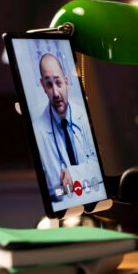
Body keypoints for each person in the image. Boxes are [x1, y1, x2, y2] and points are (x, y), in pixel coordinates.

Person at [33, 53, 98, 201]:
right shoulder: (38, 131)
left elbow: (97, 165)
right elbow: (54, 187)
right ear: (43, 86)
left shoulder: (84, 116)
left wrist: (73, 173)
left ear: (67, 82)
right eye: (49, 85)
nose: (55, 93)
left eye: (59, 83)